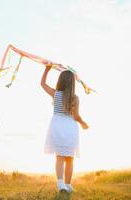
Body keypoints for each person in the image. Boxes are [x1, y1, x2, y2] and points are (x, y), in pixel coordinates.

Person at [41, 64, 89, 193]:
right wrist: (83, 123)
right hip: (70, 127)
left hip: (57, 125)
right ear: (73, 83)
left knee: (59, 157)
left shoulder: (55, 94)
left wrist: (47, 69)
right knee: (70, 158)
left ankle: (61, 183)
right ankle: (67, 184)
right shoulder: (75, 98)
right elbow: (76, 116)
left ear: (60, 81)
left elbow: (43, 84)